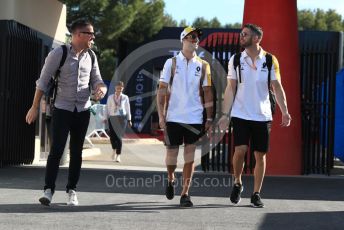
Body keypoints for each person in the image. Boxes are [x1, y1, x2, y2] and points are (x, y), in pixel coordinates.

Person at [25, 19, 107, 206]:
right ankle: (48, 190)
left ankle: (72, 190)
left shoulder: (92, 56)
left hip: (83, 110)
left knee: (77, 152)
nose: (93, 37)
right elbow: (42, 82)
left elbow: (97, 80)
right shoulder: (58, 54)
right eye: (90, 33)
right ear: (78, 35)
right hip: (62, 109)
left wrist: (101, 89)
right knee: (57, 150)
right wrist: (34, 106)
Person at [218, 24, 291, 208]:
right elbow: (230, 88)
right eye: (241, 34)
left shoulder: (270, 60)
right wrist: (225, 114)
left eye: (245, 34)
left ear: (257, 38)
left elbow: (277, 87)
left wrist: (285, 111)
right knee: (240, 150)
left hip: (263, 115)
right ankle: (237, 182)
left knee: (260, 155)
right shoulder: (235, 59)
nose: (241, 37)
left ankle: (256, 193)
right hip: (240, 113)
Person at [157, 26, 213, 207]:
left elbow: (208, 92)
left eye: (197, 37)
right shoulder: (171, 63)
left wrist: (209, 117)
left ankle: (185, 193)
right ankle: (171, 177)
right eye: (191, 37)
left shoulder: (204, 65)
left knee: (190, 157)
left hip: (195, 117)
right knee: (171, 157)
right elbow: (162, 90)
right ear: (183, 39)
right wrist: (161, 115)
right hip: (173, 116)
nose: (195, 40)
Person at [105, 81, 132, 162]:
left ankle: (118, 155)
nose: (119, 89)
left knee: (119, 137)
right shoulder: (110, 97)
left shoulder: (125, 97)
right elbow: (107, 108)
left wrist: (129, 119)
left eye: (120, 88)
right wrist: (105, 118)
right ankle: (114, 149)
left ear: (122, 88)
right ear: (115, 88)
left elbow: (128, 109)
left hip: (122, 118)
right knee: (112, 136)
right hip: (112, 118)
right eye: (117, 88)